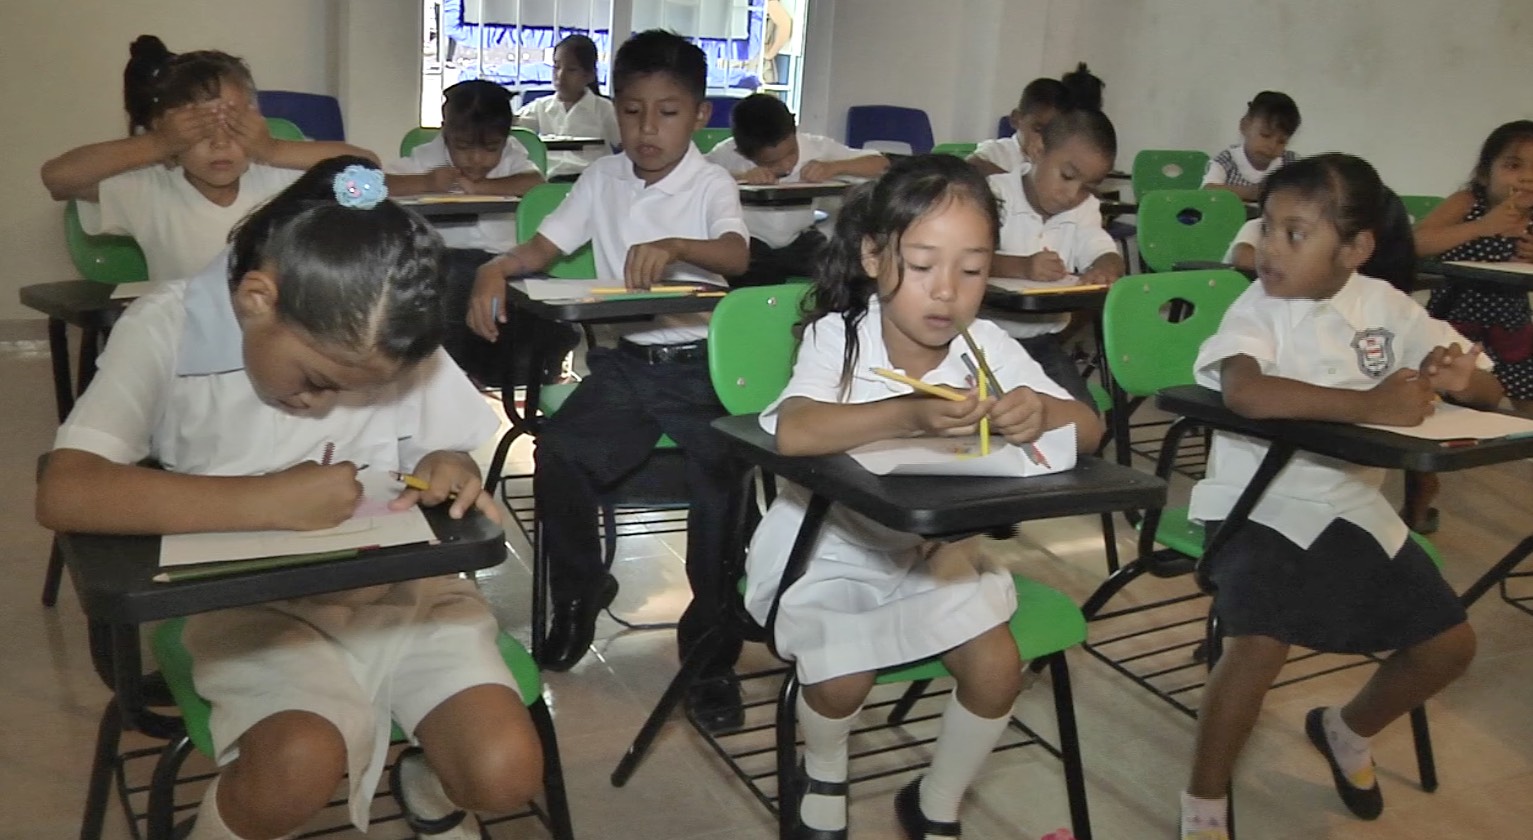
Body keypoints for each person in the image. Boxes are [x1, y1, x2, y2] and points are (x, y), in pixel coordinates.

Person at [35, 158, 540, 840]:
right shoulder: (166, 325)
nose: (322, 405)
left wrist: (443, 462)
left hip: (399, 597)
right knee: (298, 761)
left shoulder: (380, 319)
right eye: (316, 379)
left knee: (504, 769)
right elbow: (67, 490)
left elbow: (442, 447)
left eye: (362, 390)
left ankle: (424, 784)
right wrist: (267, 500)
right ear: (256, 298)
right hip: (243, 607)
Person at [748, 155, 1102, 840]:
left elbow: (1089, 428)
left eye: (970, 271)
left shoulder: (988, 346)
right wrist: (905, 414)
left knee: (998, 667)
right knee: (841, 678)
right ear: (874, 257)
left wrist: (1039, 410)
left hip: (932, 555)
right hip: (826, 549)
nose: (947, 292)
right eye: (923, 265)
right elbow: (795, 431)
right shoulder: (839, 338)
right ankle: (824, 767)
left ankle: (936, 800)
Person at [1179, 154, 1498, 840]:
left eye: (1294, 234)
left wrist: (1462, 379)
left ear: (1353, 249)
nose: (1267, 247)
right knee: (1257, 645)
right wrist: (1369, 404)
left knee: (1449, 647)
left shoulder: (1384, 306)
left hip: (1350, 508)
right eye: (1266, 229)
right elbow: (1246, 392)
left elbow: (1485, 384)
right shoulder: (1257, 309)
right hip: (1253, 506)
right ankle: (1203, 808)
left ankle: (1344, 729)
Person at [467, 31, 752, 728]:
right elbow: (541, 247)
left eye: (667, 113)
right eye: (631, 112)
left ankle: (710, 654)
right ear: (614, 110)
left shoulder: (711, 182)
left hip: (701, 369)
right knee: (559, 454)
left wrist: (679, 247)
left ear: (700, 116)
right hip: (627, 365)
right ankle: (580, 588)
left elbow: (736, 256)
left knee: (723, 493)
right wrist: (491, 269)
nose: (646, 130)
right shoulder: (601, 179)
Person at [41, 36, 376, 284]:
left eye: (233, 129)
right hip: (182, 345)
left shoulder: (279, 177)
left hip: (269, 344)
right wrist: (157, 144)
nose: (219, 144)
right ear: (169, 134)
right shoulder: (150, 189)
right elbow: (58, 178)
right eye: (199, 132)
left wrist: (274, 150)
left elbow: (368, 173)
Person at [387, 80, 559, 386]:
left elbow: (535, 183)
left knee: (531, 313)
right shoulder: (426, 158)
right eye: (463, 147)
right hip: (447, 256)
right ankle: (455, 375)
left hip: (506, 259)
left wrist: (483, 188)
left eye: (491, 148)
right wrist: (425, 183)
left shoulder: (512, 155)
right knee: (452, 294)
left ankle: (515, 367)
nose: (476, 159)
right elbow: (372, 184)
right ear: (445, 132)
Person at [987, 109, 1125, 408]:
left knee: (1081, 420)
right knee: (985, 417)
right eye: (1067, 176)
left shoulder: (1084, 209)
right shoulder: (993, 194)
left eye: (1087, 187)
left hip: (1041, 344)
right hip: (981, 340)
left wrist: (1105, 268)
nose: (1072, 194)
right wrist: (1022, 266)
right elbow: (965, 257)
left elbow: (1101, 248)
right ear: (1037, 151)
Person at [706, 93, 889, 285]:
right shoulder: (727, 152)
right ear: (742, 152)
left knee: (839, 275)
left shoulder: (815, 146)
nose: (787, 166)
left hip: (799, 239)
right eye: (772, 163)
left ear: (794, 130)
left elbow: (881, 164)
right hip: (751, 244)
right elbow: (695, 174)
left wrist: (834, 167)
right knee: (747, 281)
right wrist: (741, 177)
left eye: (791, 153)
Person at [515, 34, 623, 179]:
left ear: (589, 75)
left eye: (571, 69)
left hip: (591, 181)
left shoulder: (604, 109)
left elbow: (625, 144)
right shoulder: (541, 107)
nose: (560, 75)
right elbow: (514, 127)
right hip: (550, 181)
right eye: (556, 67)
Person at [969, 63, 1104, 177]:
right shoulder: (997, 151)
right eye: (1037, 129)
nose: (1044, 139)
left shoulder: (1058, 161)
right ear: (1016, 120)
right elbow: (970, 165)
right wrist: (1017, 183)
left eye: (1053, 132)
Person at [1200, 91, 1301, 202]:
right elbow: (1208, 190)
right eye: (1265, 135)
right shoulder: (1226, 161)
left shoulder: (1291, 164)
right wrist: (1253, 192)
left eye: (1282, 141)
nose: (1272, 146)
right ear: (1244, 126)